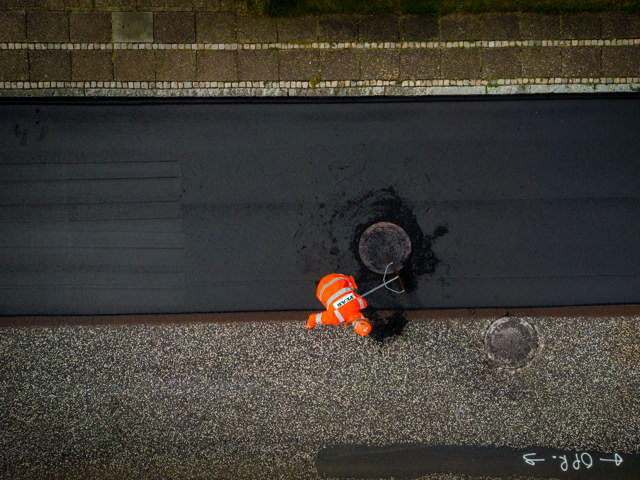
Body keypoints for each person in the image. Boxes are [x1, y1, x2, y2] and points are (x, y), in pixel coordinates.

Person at [306, 273, 372, 336]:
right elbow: (313, 318)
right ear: (354, 328)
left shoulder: (361, 303)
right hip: (321, 288)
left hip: (336, 277)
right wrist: (309, 326)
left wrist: (353, 293)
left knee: (354, 289)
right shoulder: (336, 318)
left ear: (364, 318)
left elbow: (355, 293)